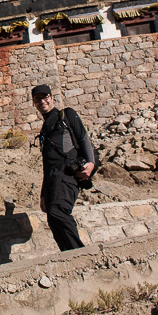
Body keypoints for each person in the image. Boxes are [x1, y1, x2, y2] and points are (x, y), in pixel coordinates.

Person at [32, 84, 95, 251]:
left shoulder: (66, 115)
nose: (42, 101)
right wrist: (43, 194)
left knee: (58, 211)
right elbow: (47, 165)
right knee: (52, 219)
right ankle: (69, 255)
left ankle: (80, 254)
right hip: (52, 178)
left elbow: (83, 138)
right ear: (34, 104)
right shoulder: (44, 130)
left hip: (67, 173)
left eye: (45, 97)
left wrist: (91, 162)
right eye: (37, 99)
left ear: (52, 98)